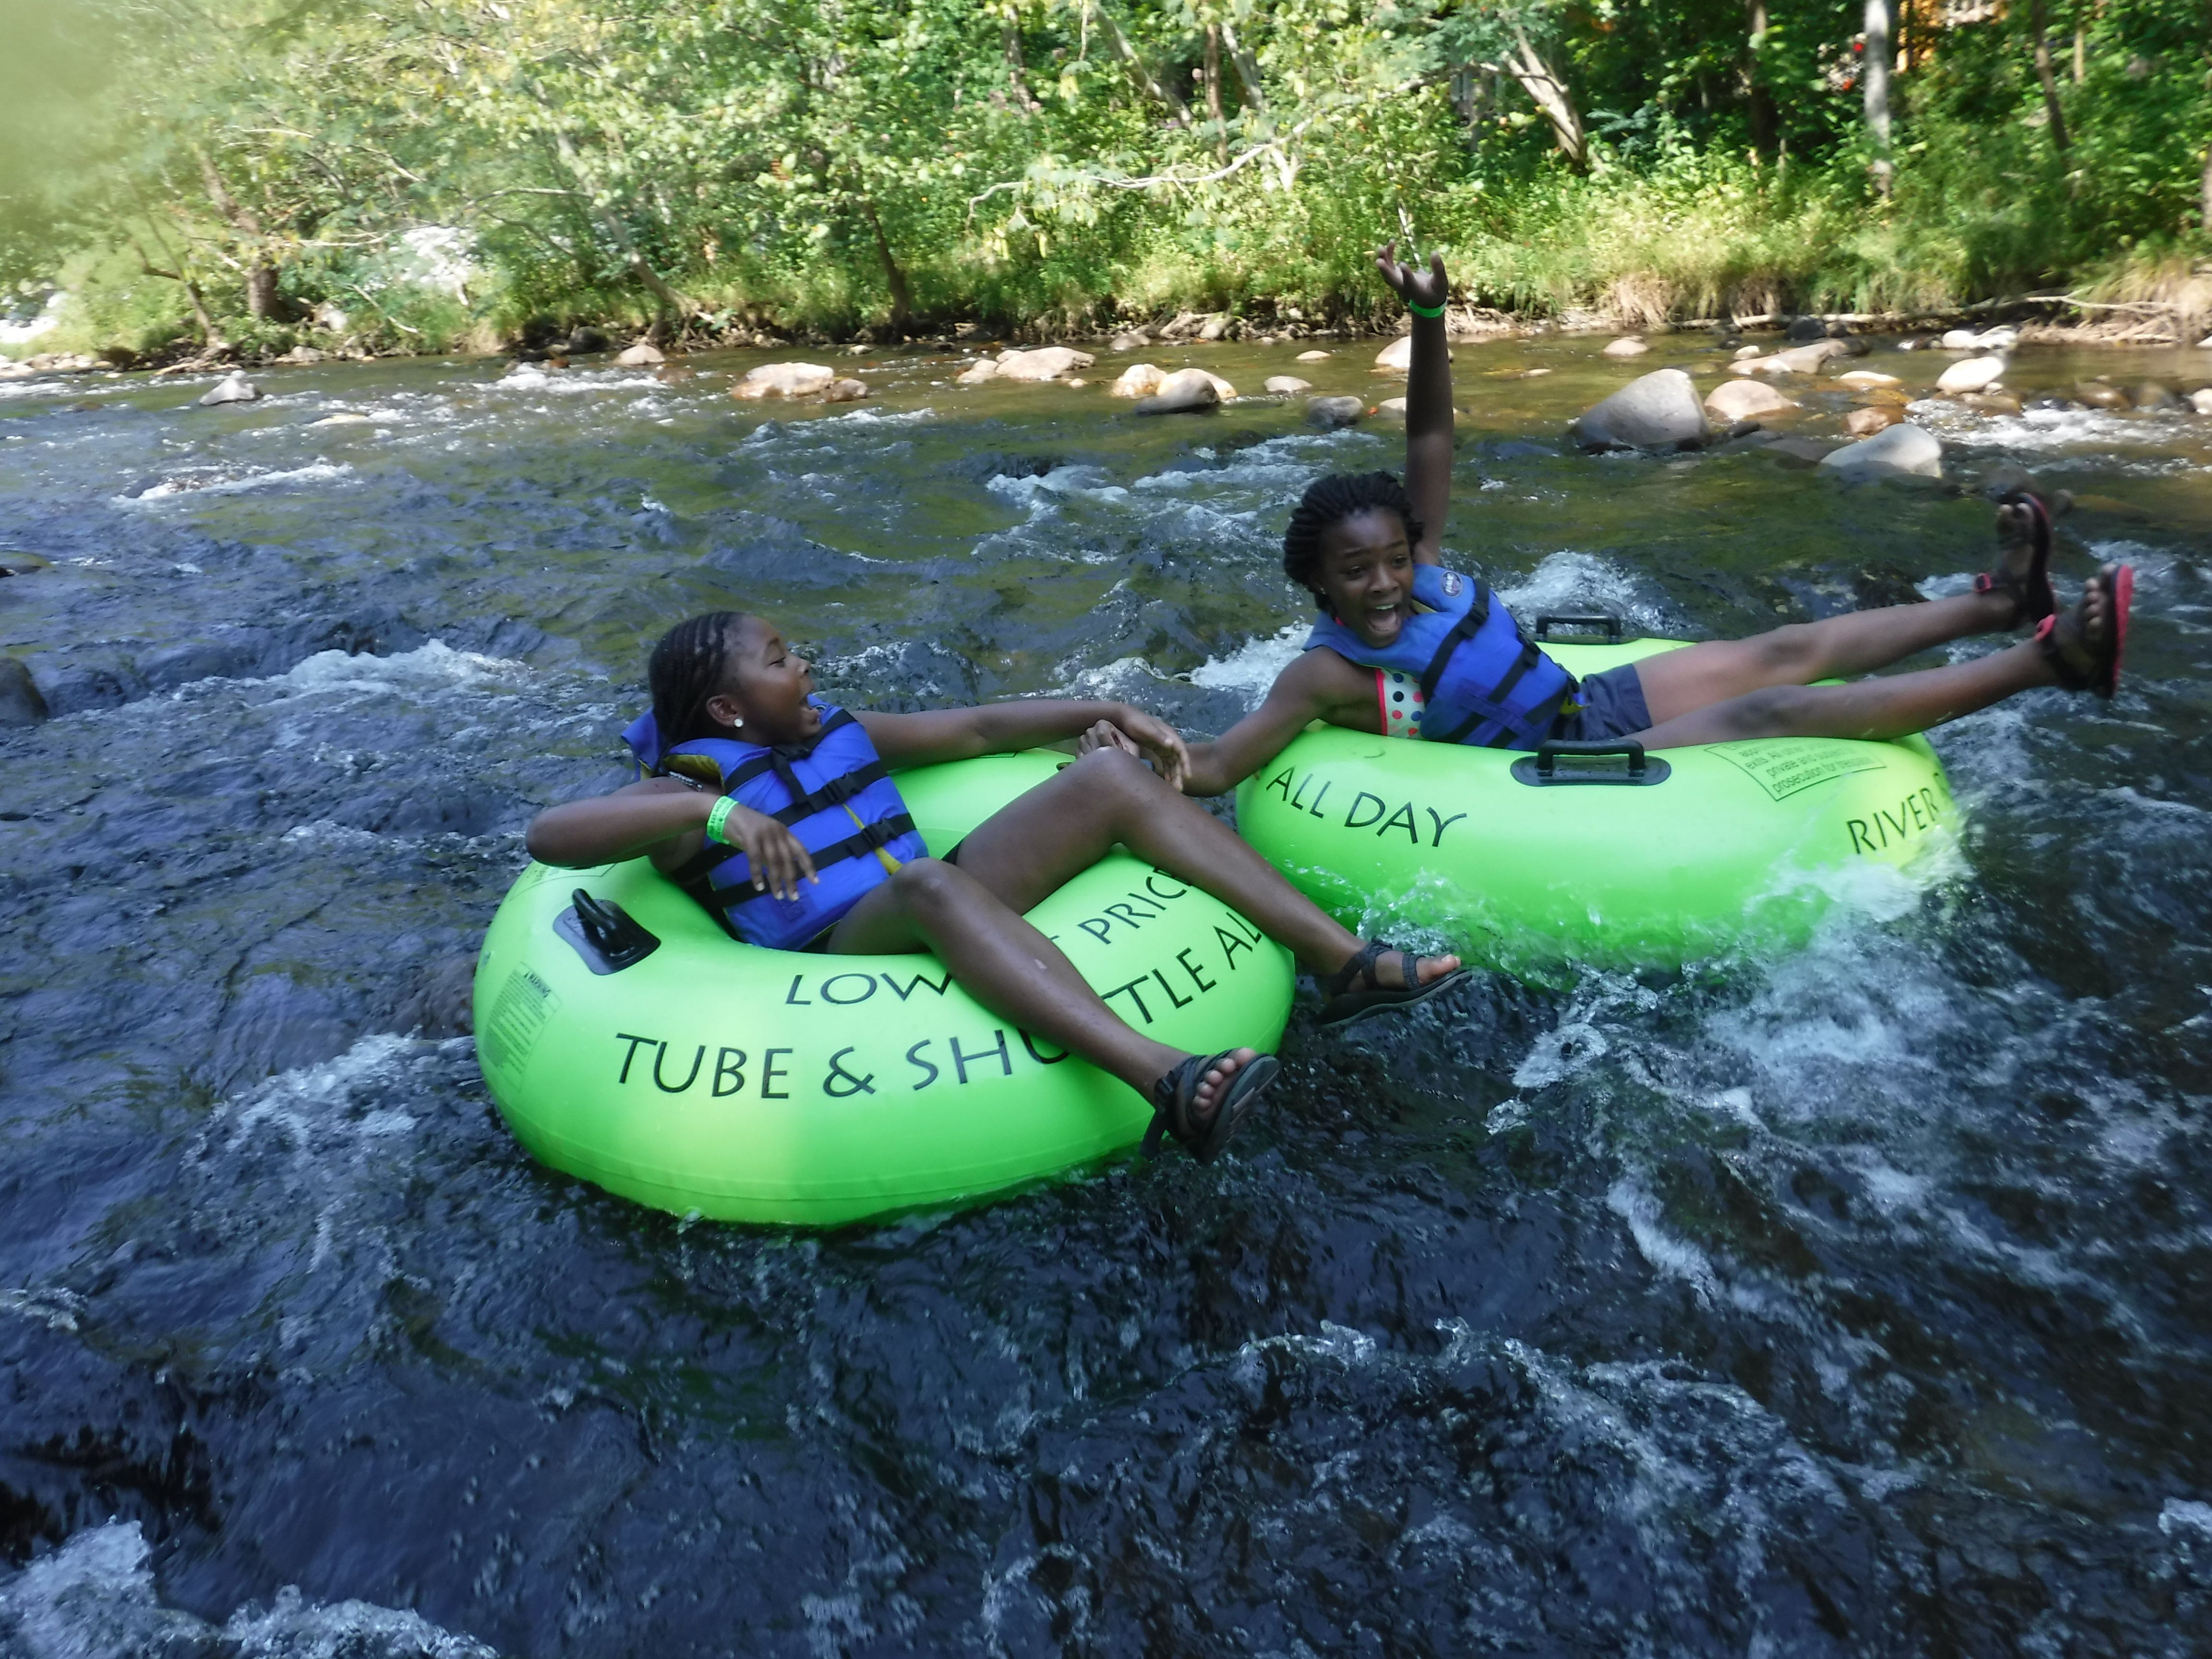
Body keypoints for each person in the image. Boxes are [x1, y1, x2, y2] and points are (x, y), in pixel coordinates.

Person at [1167, 241, 2134, 799]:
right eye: (1356, 572)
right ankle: (2054, 664)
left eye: (1392, 558)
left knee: (1781, 647)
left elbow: (1431, 438)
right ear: (1319, 584)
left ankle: (2000, 603)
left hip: (1582, 706)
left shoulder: (1424, 566)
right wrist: (1129, 745)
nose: (1384, 583)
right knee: (1773, 710)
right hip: (1553, 765)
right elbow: (1217, 766)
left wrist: (1429, 324)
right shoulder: (1322, 676)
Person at [525, 611, 1470, 1165]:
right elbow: (552, 836)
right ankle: (1166, 1080)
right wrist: (721, 819)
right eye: (779, 660)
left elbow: (977, 731)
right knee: (931, 882)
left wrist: (1104, 708)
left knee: (1102, 780)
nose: (802, 663)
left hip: (927, 894)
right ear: (727, 709)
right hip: (828, 954)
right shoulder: (692, 784)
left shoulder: (829, 729)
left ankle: (1343, 965)